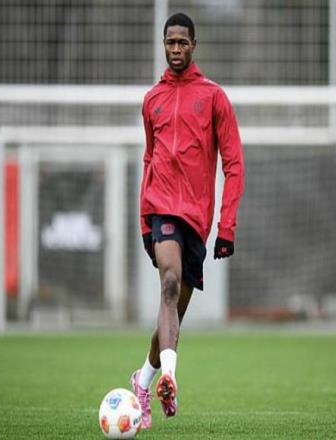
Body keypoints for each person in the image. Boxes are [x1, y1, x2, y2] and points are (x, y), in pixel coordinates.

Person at [130, 12, 244, 429]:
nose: (175, 49)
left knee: (174, 310)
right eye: (170, 42)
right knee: (169, 282)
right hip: (160, 208)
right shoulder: (152, 100)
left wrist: (226, 228)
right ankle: (171, 378)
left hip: (197, 219)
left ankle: (144, 380)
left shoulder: (214, 97)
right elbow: (149, 159)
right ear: (163, 45)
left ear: (194, 45)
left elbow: (234, 165)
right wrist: (145, 221)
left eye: (182, 42)